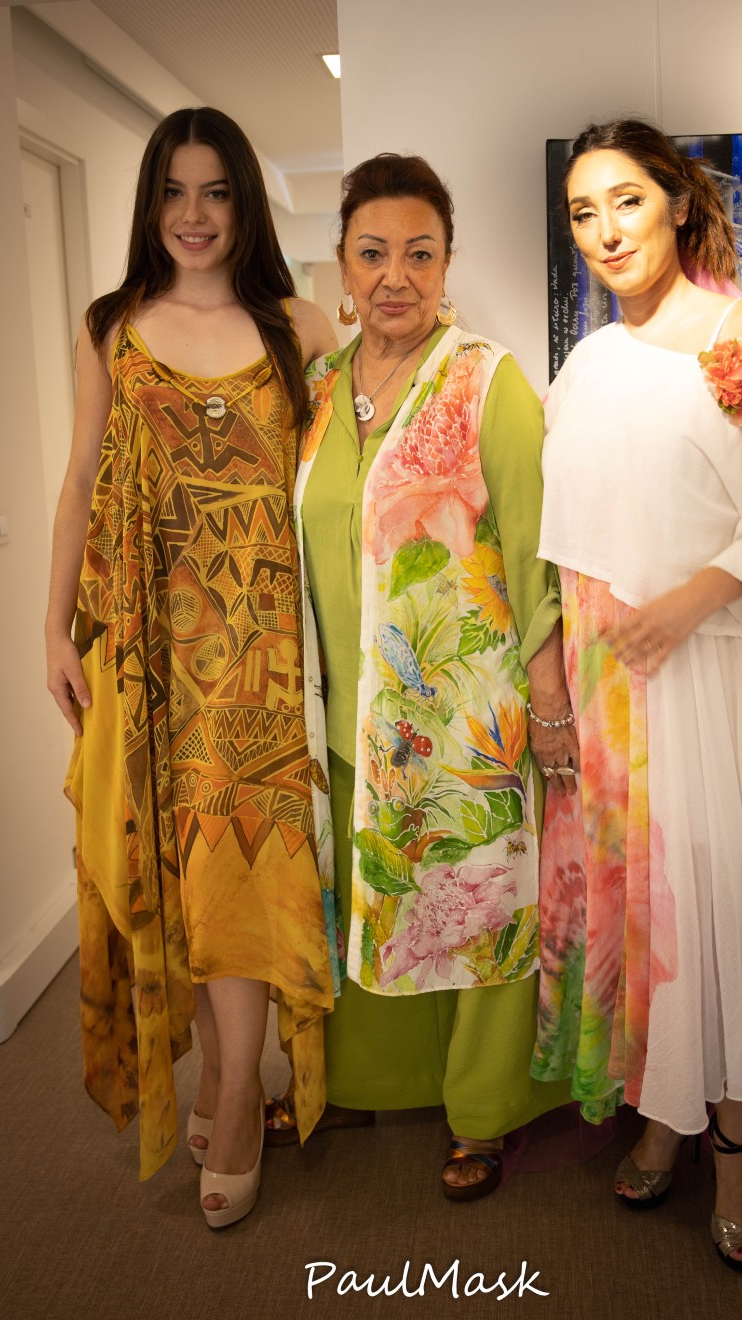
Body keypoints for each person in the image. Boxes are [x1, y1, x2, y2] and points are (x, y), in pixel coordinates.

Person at [534, 119, 742, 1268]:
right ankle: (664, 1113)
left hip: (715, 673)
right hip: (614, 684)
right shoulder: (586, 361)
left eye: (625, 200)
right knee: (647, 915)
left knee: (720, 911)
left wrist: (687, 602)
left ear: (677, 202)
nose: (605, 231)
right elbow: (564, 533)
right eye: (583, 212)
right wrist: (558, 677)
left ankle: (734, 1148)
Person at [45, 106, 338, 1227]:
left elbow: (351, 468)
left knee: (239, 869)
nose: (194, 214)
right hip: (146, 651)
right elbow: (80, 480)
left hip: (265, 657)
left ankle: (232, 1086)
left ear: (244, 200)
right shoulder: (112, 326)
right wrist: (53, 630)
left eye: (215, 191)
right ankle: (230, 1077)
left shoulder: (299, 326)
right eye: (174, 190)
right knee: (178, 872)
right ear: (150, 203)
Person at [291, 153, 577, 1200]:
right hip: (344, 714)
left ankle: (483, 1115)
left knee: (477, 902)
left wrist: (550, 702)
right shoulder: (317, 392)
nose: (395, 276)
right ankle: (373, 1082)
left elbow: (537, 551)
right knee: (371, 897)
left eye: (420, 253)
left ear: (448, 263)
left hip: (462, 716)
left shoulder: (487, 382)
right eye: (373, 253)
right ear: (343, 264)